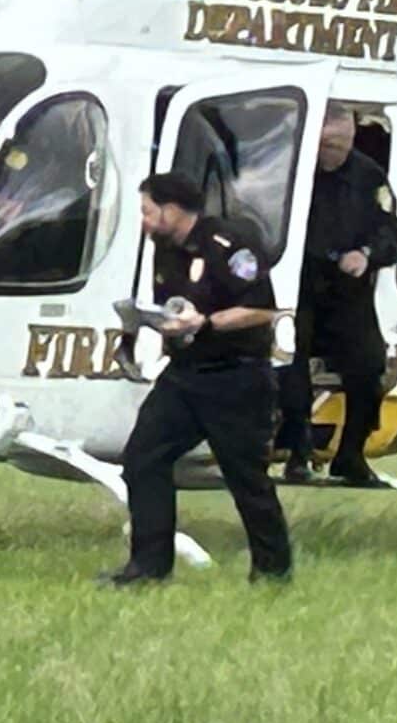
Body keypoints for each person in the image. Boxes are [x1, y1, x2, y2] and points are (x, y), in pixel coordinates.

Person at [103, 171, 294, 587]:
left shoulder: (229, 244)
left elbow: (262, 310)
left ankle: (273, 572)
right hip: (185, 376)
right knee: (143, 458)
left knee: (245, 477)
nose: (144, 222)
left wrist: (205, 323)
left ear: (173, 210)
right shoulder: (165, 248)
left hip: (235, 377)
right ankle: (148, 568)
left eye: (148, 212)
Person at [278, 104, 397, 488]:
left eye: (337, 142)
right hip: (297, 283)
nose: (328, 150)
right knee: (289, 362)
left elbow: (392, 233)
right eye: (323, 142)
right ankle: (296, 453)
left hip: (346, 290)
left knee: (369, 366)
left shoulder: (369, 177)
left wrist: (366, 255)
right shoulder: (289, 170)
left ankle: (351, 455)